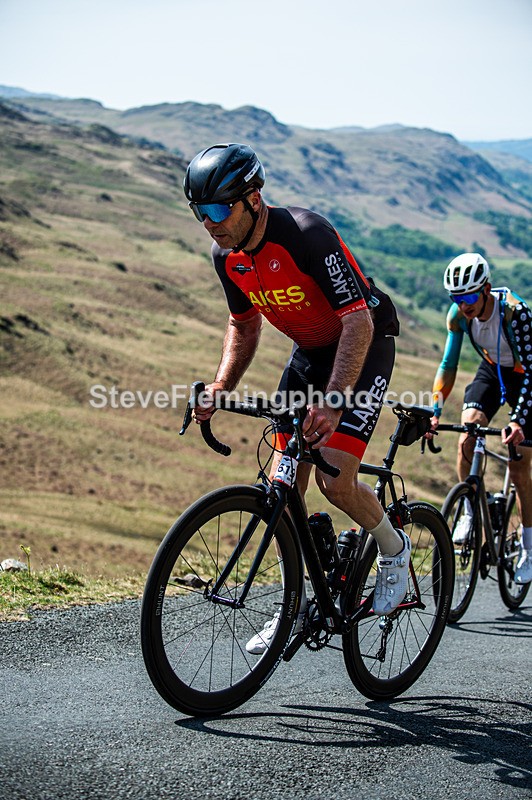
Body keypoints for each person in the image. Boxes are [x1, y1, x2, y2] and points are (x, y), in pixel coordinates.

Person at [183, 142, 408, 653]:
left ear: (254, 198)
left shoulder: (308, 235)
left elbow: (358, 320)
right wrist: (220, 387)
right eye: (200, 211)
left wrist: (332, 400)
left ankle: (394, 550)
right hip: (309, 353)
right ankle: (299, 601)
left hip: (363, 347)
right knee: (284, 486)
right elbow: (243, 326)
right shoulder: (227, 257)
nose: (209, 222)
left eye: (219, 208)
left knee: (333, 477)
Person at [430, 252, 532, 584]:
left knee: (519, 467)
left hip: (526, 376)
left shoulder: (516, 314)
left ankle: (529, 547)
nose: (465, 305)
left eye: (470, 296)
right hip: (492, 370)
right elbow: (448, 365)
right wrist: (435, 410)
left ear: (486, 289)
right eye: (457, 298)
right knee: (467, 434)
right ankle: (471, 513)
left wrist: (517, 421)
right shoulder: (458, 316)